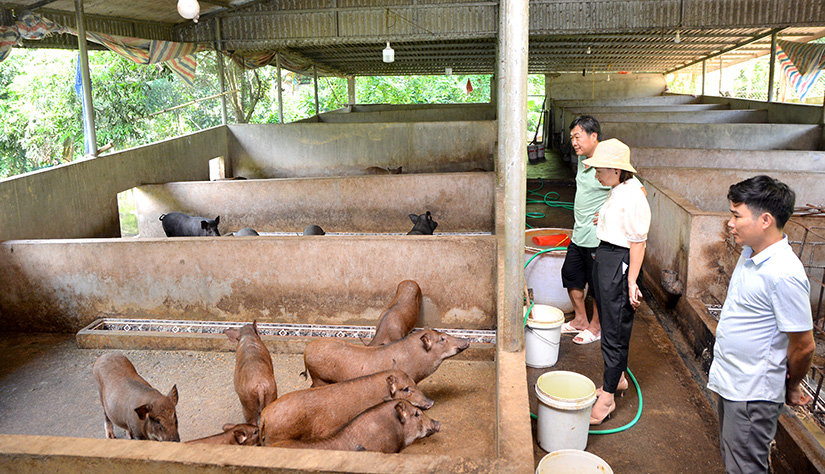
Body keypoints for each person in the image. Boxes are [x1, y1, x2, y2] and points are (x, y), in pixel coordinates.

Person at [707, 175, 814, 474]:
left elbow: (804, 345)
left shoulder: (784, 274)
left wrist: (791, 386)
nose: (730, 222)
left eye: (736, 215)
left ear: (765, 220)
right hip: (733, 381)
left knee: (746, 468)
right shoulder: (751, 253)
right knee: (735, 461)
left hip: (752, 393)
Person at [581, 139, 650, 425]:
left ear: (618, 171)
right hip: (608, 255)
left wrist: (631, 281)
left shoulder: (634, 195)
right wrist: (605, 219)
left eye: (600, 169)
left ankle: (607, 398)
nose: (596, 174)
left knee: (614, 333)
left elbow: (638, 242)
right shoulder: (619, 189)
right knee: (610, 324)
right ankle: (618, 378)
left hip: (619, 261)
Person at [559, 115, 610, 345]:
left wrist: (611, 211)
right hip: (579, 234)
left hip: (598, 238)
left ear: (594, 136)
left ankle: (596, 327)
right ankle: (580, 320)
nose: (574, 142)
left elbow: (637, 192)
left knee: (597, 285)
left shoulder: (609, 161)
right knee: (571, 275)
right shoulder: (583, 159)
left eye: (577, 137)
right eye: (572, 138)